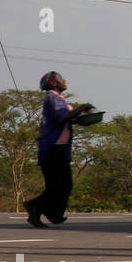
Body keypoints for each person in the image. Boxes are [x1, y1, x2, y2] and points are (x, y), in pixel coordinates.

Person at [25, 72, 94, 227]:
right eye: (61, 79)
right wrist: (82, 107)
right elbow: (63, 117)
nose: (64, 81)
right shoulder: (52, 97)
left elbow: (66, 119)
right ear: (54, 83)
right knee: (60, 185)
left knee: (62, 184)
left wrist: (82, 120)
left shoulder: (58, 99)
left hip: (60, 149)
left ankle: (45, 211)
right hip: (52, 149)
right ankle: (37, 208)